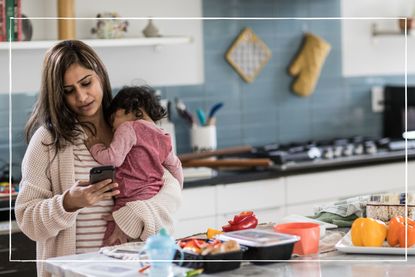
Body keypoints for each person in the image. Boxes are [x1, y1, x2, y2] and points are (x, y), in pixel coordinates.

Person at [14, 40, 182, 277]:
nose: (81, 96)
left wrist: (136, 213)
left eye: (86, 83)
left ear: (100, 76)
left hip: (134, 268)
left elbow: (171, 189)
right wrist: (68, 203)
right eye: (69, 91)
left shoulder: (128, 128)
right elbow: (27, 219)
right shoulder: (48, 140)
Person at [84, 85, 183, 243]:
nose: (112, 126)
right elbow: (175, 167)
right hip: (152, 201)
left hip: (128, 201)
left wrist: (95, 147)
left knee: (112, 244)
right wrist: (178, 188)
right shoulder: (163, 136)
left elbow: (113, 159)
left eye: (112, 119)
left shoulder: (128, 127)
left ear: (130, 109)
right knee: (143, 249)